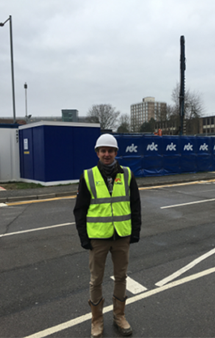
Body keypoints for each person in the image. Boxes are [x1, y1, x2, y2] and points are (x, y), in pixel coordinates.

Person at [73, 133, 141, 338]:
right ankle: (97, 321)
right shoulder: (88, 176)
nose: (107, 154)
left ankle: (119, 316)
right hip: (98, 238)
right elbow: (80, 210)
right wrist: (84, 238)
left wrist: (134, 232)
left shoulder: (127, 174)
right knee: (96, 281)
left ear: (116, 153)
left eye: (110, 151)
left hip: (121, 236)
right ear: (97, 153)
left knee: (121, 277)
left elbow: (135, 205)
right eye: (103, 151)